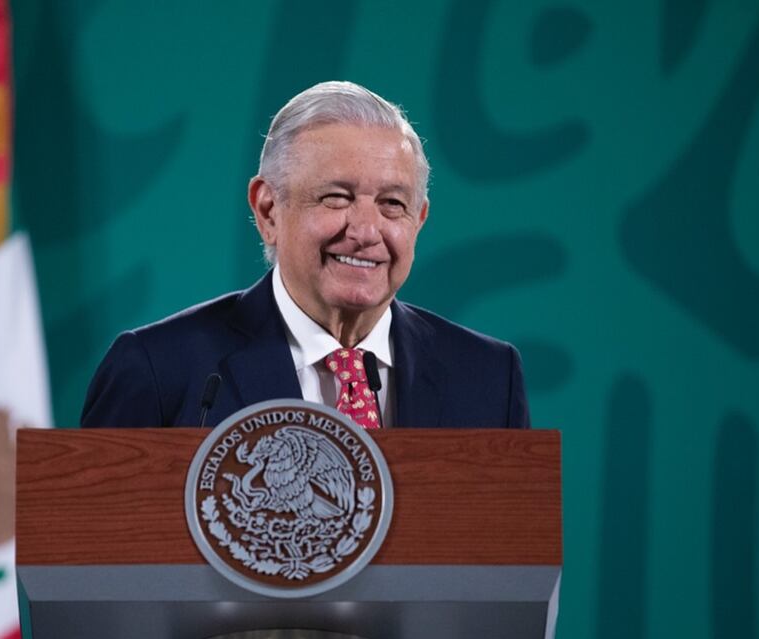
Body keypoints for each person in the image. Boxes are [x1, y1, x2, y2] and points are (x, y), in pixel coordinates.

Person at [81, 81, 529, 429]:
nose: (366, 231)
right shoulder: (160, 370)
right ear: (268, 210)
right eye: (336, 197)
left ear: (419, 219)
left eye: (392, 204)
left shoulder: (489, 376)